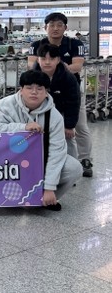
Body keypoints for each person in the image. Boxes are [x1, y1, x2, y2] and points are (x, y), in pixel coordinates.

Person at [0, 71, 83, 210]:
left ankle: (45, 199)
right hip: (10, 159)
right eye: (29, 88)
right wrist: (23, 128)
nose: (34, 92)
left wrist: (50, 187)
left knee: (74, 168)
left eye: (39, 89)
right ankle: (10, 195)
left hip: (40, 158)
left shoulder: (55, 117)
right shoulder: (5, 105)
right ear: (21, 90)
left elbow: (56, 152)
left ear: (46, 92)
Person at [27, 12, 92, 177]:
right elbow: (31, 64)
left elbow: (77, 66)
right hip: (44, 91)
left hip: (71, 90)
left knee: (79, 126)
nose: (55, 28)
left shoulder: (74, 44)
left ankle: (85, 159)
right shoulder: (36, 45)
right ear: (45, 27)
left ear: (65, 27)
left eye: (59, 25)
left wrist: (54, 68)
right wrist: (55, 68)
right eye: (52, 25)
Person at [33, 44, 80, 157]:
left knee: (67, 139)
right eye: (43, 59)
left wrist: (69, 126)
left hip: (61, 112)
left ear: (58, 60)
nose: (47, 62)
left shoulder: (68, 78)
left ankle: (72, 163)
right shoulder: (32, 77)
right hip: (37, 113)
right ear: (38, 60)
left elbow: (73, 102)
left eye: (51, 59)